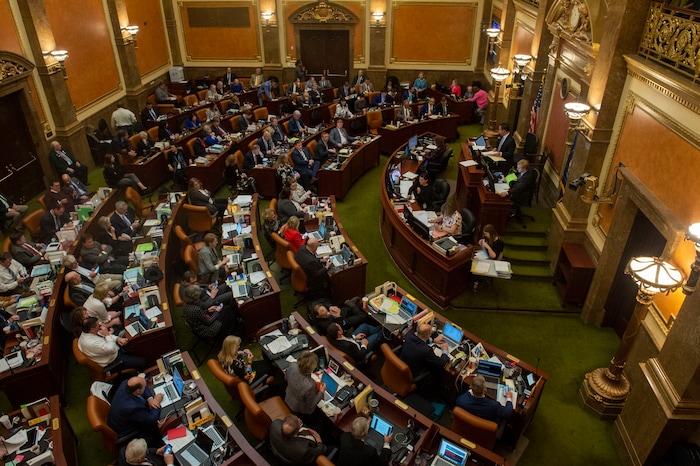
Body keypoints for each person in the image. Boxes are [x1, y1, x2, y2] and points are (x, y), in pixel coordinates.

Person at [107, 375, 163, 445]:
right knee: (156, 424)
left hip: (118, 418)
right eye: (144, 386)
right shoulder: (133, 408)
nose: (145, 387)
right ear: (138, 391)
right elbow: (152, 419)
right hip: (125, 430)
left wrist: (150, 398)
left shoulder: (125, 383)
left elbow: (142, 387)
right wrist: (156, 401)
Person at [78, 317, 146, 370]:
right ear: (92, 329)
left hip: (112, 350)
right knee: (142, 362)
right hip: (114, 360)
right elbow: (112, 349)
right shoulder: (91, 343)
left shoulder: (88, 331)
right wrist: (107, 335)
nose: (101, 326)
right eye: (98, 326)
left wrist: (117, 339)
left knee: (136, 346)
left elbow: (102, 335)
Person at [284, 351, 324, 423]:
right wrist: (321, 392)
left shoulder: (292, 365)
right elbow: (311, 404)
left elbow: (286, 378)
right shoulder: (310, 385)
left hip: (288, 397)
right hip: (298, 409)